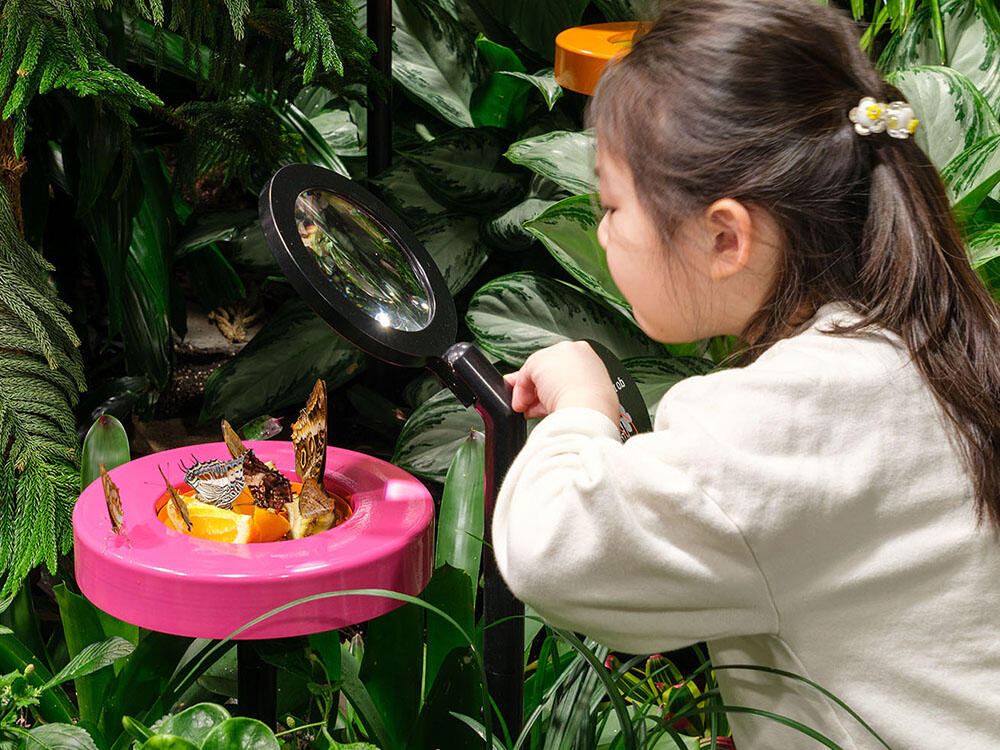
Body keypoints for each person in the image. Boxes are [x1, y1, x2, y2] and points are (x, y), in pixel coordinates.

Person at [492, 0, 1000, 747]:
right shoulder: (944, 337)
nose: (602, 232)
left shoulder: (790, 419)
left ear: (725, 236)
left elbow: (554, 552)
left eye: (610, 204)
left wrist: (580, 406)